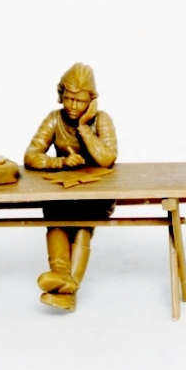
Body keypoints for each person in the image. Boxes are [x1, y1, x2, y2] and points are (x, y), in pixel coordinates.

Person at [24, 63, 117, 311]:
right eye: (69, 99)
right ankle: (62, 277)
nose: (73, 106)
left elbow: (107, 159)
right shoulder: (54, 119)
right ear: (61, 95)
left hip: (97, 193)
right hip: (63, 189)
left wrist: (84, 128)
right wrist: (60, 162)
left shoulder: (102, 120)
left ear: (92, 101)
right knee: (55, 219)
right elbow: (30, 156)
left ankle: (68, 284)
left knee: (83, 226)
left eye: (80, 100)